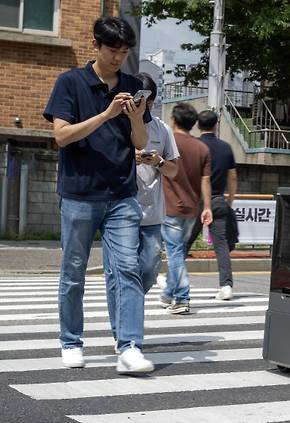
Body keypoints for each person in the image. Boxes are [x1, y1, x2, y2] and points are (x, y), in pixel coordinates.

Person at [43, 16, 154, 373]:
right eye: (112, 50)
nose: (118, 58)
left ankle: (129, 347)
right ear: (96, 45)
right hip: (79, 193)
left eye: (124, 52)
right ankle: (71, 340)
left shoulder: (134, 85)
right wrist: (107, 114)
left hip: (122, 193)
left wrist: (135, 117)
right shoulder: (70, 82)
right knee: (73, 270)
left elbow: (140, 143)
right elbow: (62, 136)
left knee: (128, 268)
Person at [104, 73, 179, 342]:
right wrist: (128, 159)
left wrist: (157, 161)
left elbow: (173, 171)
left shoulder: (162, 130)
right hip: (117, 214)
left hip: (151, 216)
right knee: (118, 275)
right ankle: (121, 335)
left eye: (144, 99)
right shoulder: (114, 125)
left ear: (151, 101)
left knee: (147, 270)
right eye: (135, 98)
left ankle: (128, 307)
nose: (139, 103)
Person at [160, 102, 213, 314]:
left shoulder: (168, 141)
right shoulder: (202, 148)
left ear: (173, 120)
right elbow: (206, 180)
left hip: (170, 205)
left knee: (174, 253)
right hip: (192, 208)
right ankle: (169, 293)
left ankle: (182, 297)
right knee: (178, 252)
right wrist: (207, 207)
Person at [187, 110, 238, 300]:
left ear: (198, 126)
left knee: (184, 243)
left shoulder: (195, 146)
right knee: (221, 245)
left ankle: (171, 280)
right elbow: (232, 176)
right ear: (216, 124)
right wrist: (230, 200)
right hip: (218, 200)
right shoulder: (226, 147)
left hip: (195, 201)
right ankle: (226, 286)